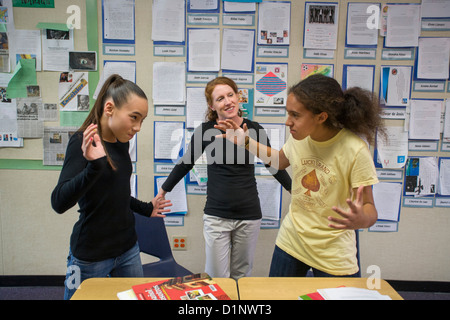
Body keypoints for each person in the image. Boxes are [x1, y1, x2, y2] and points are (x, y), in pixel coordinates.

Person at [215, 74, 384, 277]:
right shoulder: (300, 137)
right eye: (288, 113)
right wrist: (245, 141)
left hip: (332, 252)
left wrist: (361, 219)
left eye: (295, 115)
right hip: (291, 242)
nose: (288, 122)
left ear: (321, 117)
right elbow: (278, 161)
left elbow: (370, 210)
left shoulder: (354, 150)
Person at [157, 77, 291, 280]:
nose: (228, 101)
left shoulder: (254, 129)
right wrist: (163, 190)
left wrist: (295, 190)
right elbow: (186, 163)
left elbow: (274, 164)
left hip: (249, 215)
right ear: (212, 105)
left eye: (230, 95)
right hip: (217, 216)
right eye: (220, 98)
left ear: (238, 97)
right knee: (217, 278)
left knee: (241, 277)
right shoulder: (205, 131)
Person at [51, 74, 171, 299]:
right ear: (109, 108)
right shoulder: (82, 141)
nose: (138, 127)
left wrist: (147, 208)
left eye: (142, 120)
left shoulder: (121, 142)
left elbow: (117, 193)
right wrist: (94, 167)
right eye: (134, 117)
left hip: (127, 249)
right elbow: (58, 202)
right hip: (90, 254)